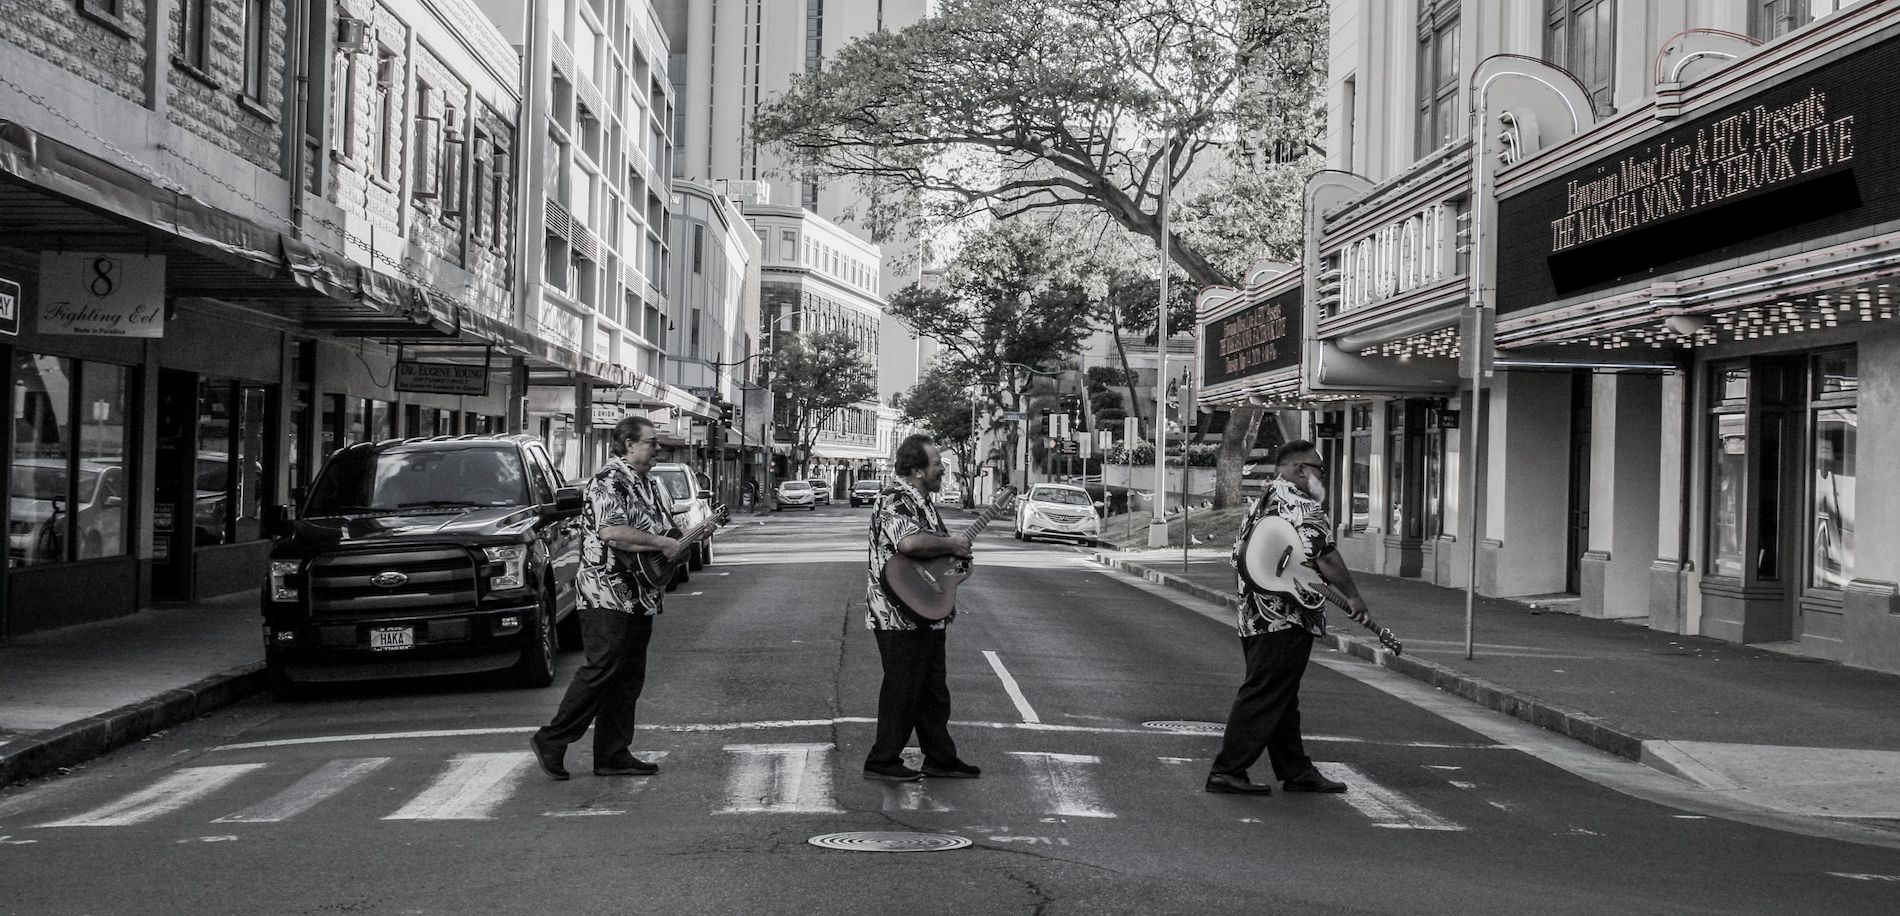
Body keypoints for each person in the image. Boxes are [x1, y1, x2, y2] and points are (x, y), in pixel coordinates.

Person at [1205, 439, 1369, 796]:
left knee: (1281, 695)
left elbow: (1239, 557)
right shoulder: (1301, 505)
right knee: (1264, 693)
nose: (1322, 476)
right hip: (1286, 617)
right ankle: (1227, 770)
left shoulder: (1261, 502)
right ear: (1301, 469)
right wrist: (1354, 597)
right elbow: (1325, 556)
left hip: (1254, 616)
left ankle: (1296, 770)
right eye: (1319, 469)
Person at [530, 416, 683, 780]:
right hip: (606, 592)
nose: (658, 447)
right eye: (651, 442)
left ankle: (612, 754)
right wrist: (662, 543)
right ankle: (551, 739)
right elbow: (612, 532)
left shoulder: (652, 485)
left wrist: (679, 545)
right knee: (602, 669)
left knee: (628, 677)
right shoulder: (608, 481)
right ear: (629, 445)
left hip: (641, 594)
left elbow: (664, 535)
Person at [861, 434, 982, 782]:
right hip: (897, 613)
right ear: (916, 470)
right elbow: (910, 543)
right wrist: (951, 543)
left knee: (932, 692)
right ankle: (882, 760)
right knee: (903, 689)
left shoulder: (922, 502)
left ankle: (940, 758)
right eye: (936, 464)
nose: (942, 469)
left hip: (924, 612)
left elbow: (933, 559)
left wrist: (951, 573)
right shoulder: (894, 499)